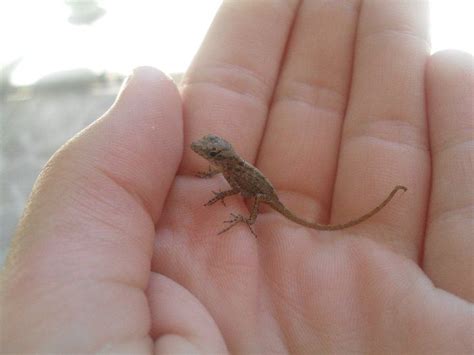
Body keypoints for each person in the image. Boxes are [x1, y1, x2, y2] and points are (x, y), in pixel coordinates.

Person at [1, 1, 472, 353]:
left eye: (209, 150)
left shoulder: (234, 173)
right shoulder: (228, 165)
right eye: (207, 150)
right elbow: (230, 179)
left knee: (250, 206)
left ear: (220, 153)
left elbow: (243, 189)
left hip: (264, 197)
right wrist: (219, 188)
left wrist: (246, 215)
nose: (203, 152)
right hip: (259, 186)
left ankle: (250, 222)